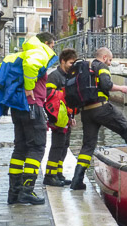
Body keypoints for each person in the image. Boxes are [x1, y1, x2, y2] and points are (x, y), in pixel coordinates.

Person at [0, 32, 58, 205]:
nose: (52, 50)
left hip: (18, 108)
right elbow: (32, 65)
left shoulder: (17, 55)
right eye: (52, 46)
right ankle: (27, 190)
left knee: (20, 148)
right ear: (47, 43)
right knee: (37, 147)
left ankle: (14, 193)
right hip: (32, 105)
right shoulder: (38, 51)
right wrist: (29, 87)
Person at [70, 47, 127, 190]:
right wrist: (121, 88)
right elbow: (106, 84)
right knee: (126, 129)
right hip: (101, 107)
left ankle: (77, 180)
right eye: (109, 60)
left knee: (88, 145)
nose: (109, 63)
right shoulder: (101, 66)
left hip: (86, 112)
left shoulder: (86, 68)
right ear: (104, 57)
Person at [43, 48, 77, 187]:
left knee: (64, 146)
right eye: (70, 63)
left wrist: (72, 115)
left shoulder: (69, 76)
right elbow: (49, 95)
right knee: (57, 146)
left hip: (66, 117)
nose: (72, 66)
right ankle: (50, 176)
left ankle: (58, 173)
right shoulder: (55, 76)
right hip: (58, 118)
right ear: (62, 61)